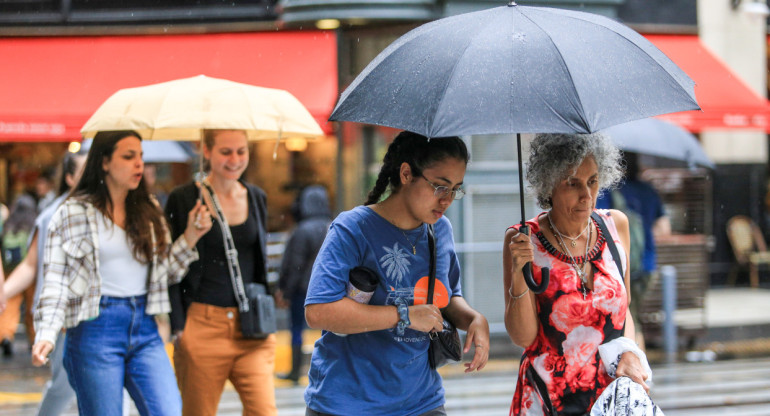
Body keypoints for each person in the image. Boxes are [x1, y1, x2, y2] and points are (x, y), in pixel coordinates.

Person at [303, 131, 490, 416]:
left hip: (421, 401)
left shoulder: (440, 230)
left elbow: (445, 297)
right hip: (348, 403)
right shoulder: (353, 229)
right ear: (406, 174)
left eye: (456, 189)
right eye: (440, 186)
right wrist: (404, 315)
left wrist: (474, 319)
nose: (448, 200)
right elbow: (319, 311)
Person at [31, 130, 212, 416]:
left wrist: (191, 235)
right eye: (128, 157)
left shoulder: (149, 209)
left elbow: (164, 275)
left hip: (145, 327)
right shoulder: (72, 213)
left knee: (168, 411)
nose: (139, 164)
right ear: (104, 162)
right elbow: (56, 280)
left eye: (141, 156)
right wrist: (47, 332)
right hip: (94, 329)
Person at [504, 133, 657, 415]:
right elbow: (523, 337)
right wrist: (518, 272)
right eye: (572, 183)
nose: (586, 195)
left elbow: (624, 313)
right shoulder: (523, 240)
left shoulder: (615, 226)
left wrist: (630, 352)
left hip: (609, 398)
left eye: (593, 181)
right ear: (549, 184)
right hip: (548, 399)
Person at [165, 129, 276, 416]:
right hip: (202, 325)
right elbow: (167, 270)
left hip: (252, 327)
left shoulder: (256, 197)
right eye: (226, 152)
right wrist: (180, 327)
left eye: (241, 151)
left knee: (264, 411)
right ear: (207, 152)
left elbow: (258, 262)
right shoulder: (183, 199)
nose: (235, 159)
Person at [3, 149, 87, 414]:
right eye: (86, 171)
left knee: (112, 386)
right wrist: (4, 292)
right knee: (64, 386)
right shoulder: (54, 214)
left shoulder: (115, 209)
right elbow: (31, 264)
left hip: (106, 317)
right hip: (64, 318)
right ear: (71, 178)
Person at [596, 153, 671, 351]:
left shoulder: (607, 191)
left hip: (618, 265)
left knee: (628, 320)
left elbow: (598, 225)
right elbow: (664, 228)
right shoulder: (648, 190)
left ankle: (638, 371)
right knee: (633, 317)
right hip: (646, 264)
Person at [276, 185, 332, 384]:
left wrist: (285, 291)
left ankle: (295, 370)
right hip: (329, 290)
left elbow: (294, 265)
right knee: (329, 332)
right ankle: (327, 371)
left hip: (303, 290)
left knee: (296, 330)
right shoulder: (332, 226)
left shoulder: (302, 230)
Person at [0, 194, 37, 357]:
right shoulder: (33, 223)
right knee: (32, 306)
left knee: (9, 306)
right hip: (29, 270)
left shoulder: (9, 224)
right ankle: (35, 339)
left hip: (9, 270)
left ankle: (6, 335)